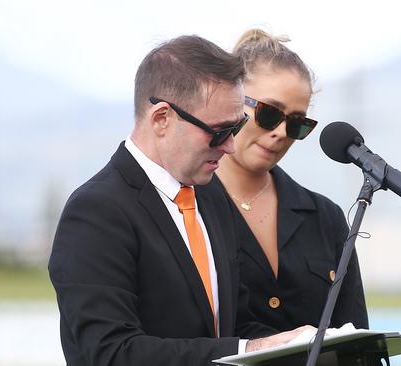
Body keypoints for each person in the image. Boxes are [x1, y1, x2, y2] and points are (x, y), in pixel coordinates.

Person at [48, 34, 311, 366]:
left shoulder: (211, 196)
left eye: (236, 127)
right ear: (161, 119)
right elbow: (112, 353)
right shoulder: (95, 213)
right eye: (218, 131)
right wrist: (248, 350)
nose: (229, 146)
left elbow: (231, 327)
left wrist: (301, 347)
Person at [213, 29, 369, 331]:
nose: (282, 132)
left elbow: (356, 339)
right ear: (229, 99)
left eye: (298, 123)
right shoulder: (184, 207)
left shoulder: (326, 218)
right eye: (269, 114)